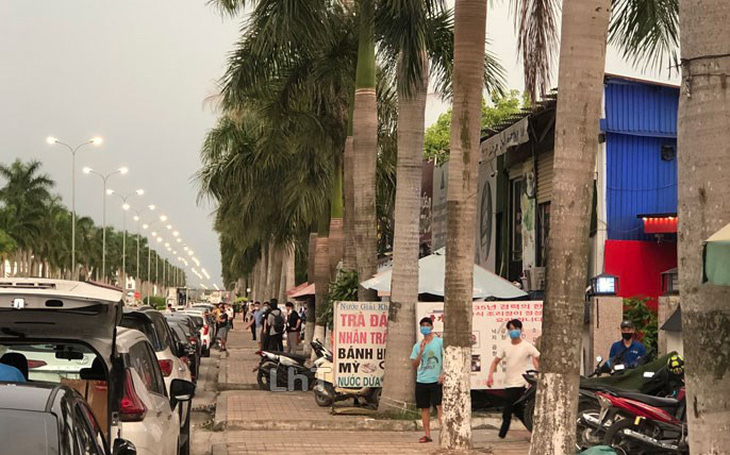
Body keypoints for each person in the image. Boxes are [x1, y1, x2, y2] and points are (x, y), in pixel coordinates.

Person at [487, 319, 540, 439]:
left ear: (520, 330)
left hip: (521, 382)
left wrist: (539, 371)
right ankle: (534, 431)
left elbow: (538, 357)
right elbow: (495, 362)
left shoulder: (527, 346)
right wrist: (490, 376)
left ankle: (502, 434)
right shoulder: (505, 346)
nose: (513, 332)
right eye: (510, 329)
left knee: (508, 408)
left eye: (515, 329)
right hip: (509, 382)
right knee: (518, 410)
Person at [410, 317, 443, 444]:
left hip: (436, 381)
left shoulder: (439, 342)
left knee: (440, 407)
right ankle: (427, 435)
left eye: (427, 325)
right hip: (422, 380)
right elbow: (414, 364)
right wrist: (421, 352)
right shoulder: (418, 345)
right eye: (423, 325)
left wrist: (443, 374)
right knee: (424, 408)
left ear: (432, 327)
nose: (425, 327)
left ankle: (443, 433)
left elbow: (446, 357)